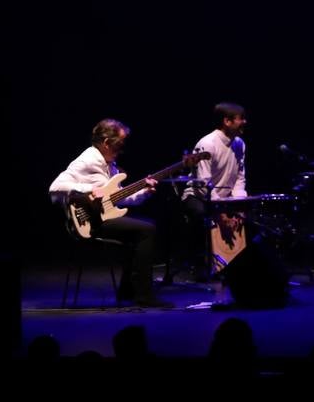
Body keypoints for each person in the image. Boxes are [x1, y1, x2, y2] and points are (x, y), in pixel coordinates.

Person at [49, 118, 172, 308]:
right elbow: (55, 188)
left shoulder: (110, 165)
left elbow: (121, 199)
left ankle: (127, 292)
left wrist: (145, 192)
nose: (122, 148)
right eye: (119, 144)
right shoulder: (87, 160)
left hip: (102, 217)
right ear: (106, 143)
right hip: (89, 222)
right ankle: (143, 295)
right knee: (146, 230)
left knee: (143, 226)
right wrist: (89, 189)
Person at [180, 103, 249, 278]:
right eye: (241, 118)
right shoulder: (207, 144)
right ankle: (200, 266)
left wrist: (240, 206)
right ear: (227, 121)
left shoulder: (240, 144)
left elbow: (240, 178)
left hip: (223, 198)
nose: (245, 122)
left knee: (251, 217)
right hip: (199, 196)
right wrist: (222, 213)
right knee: (201, 214)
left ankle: (239, 265)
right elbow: (204, 185)